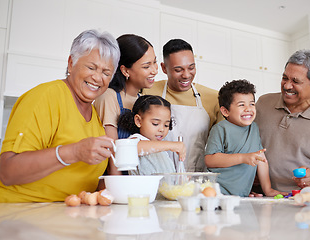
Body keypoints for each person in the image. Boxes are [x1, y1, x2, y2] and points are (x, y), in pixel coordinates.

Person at [0, 29, 120, 202]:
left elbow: (83, 180)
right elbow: (7, 172)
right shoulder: (45, 97)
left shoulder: (95, 118)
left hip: (66, 215)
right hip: (19, 213)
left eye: (106, 73)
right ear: (71, 63)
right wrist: (74, 152)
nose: (97, 78)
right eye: (91, 67)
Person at [255, 49, 310, 192]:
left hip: (296, 201)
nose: (287, 86)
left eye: (295, 81)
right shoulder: (263, 103)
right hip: (255, 195)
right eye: (285, 78)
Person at [143, 39, 223, 172]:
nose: (186, 75)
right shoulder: (147, 91)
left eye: (191, 68)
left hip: (197, 176)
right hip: (157, 173)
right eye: (178, 70)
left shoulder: (214, 98)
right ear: (163, 68)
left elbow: (223, 146)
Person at [205, 80, 285, 197]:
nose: (248, 109)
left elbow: (261, 159)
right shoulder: (221, 129)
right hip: (217, 192)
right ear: (225, 111)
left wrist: (268, 190)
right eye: (241, 105)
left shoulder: (254, 128)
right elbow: (210, 160)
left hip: (240, 196)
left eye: (252, 104)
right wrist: (243, 158)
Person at [94, 34, 158, 174]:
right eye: (147, 66)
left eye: (154, 62)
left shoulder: (143, 99)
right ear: (125, 70)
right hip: (116, 178)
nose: (155, 70)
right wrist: (118, 187)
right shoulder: (109, 97)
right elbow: (113, 151)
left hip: (136, 178)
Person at [117, 95, 186, 175]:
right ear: (138, 121)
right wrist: (172, 145)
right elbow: (132, 148)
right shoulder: (136, 140)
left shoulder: (162, 150)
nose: (162, 129)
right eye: (155, 124)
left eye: (166, 125)